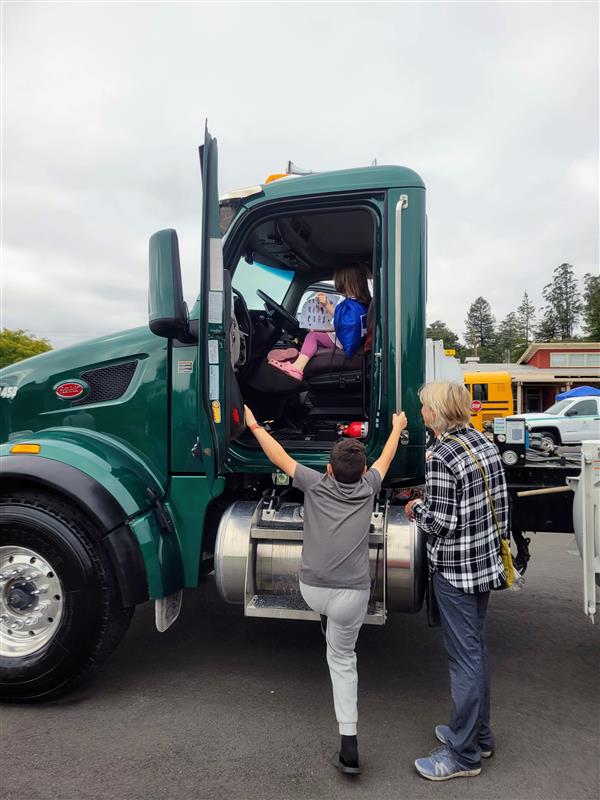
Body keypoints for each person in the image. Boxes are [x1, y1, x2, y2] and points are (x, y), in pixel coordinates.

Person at [244, 404, 407, 774]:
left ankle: (325, 619)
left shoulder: (314, 484)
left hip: (312, 588)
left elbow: (279, 456)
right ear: (363, 472)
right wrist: (397, 427)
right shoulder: (370, 487)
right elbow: (387, 455)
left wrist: (254, 424)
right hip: (352, 595)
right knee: (343, 660)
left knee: (328, 617)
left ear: (329, 469)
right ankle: (348, 747)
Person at [405, 381, 508, 782]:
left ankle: (463, 756)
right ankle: (479, 736)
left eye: (425, 406)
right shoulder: (482, 443)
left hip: (455, 570)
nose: (421, 412)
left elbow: (442, 523)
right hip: (483, 565)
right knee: (476, 651)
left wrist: (416, 508)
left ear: (437, 411)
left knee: (464, 660)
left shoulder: (442, 455)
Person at [268, 265, 371, 381]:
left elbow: (343, 323)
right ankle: (296, 358)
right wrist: (321, 329)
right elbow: (342, 325)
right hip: (348, 341)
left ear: (348, 283)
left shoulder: (353, 306)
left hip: (346, 344)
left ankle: (296, 368)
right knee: (314, 336)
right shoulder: (361, 305)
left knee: (312, 337)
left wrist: (327, 305)